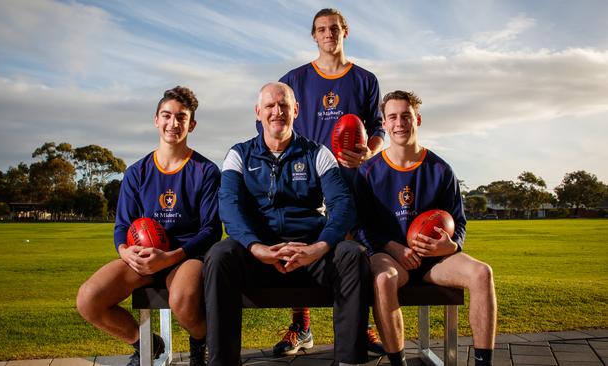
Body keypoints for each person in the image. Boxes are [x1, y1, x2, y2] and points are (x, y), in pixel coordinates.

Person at [204, 82, 371, 366]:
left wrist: (319, 247)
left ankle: (349, 361)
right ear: (258, 112)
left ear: (296, 110)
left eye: (283, 105)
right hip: (260, 256)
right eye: (269, 106)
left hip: (310, 255)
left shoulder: (317, 153)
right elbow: (229, 207)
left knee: (352, 255)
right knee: (220, 256)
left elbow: (342, 205)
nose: (277, 112)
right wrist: (256, 247)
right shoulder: (239, 154)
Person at [269, 8, 386, 356]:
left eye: (334, 28)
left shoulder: (365, 79)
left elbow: (378, 129)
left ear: (345, 31)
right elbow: (278, 122)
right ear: (314, 35)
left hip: (350, 178)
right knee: (297, 240)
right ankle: (302, 327)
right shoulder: (294, 78)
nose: (328, 34)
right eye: (321, 29)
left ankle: (361, 327)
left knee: (353, 248)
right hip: (304, 178)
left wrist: (368, 152)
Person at [76, 86, 222, 366]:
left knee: (182, 300)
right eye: (167, 116)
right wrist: (124, 252)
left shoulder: (206, 171)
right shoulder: (136, 172)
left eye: (181, 117)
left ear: (192, 124)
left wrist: (171, 256)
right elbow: (122, 225)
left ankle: (200, 343)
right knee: (88, 299)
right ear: (156, 119)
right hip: (143, 257)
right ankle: (145, 343)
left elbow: (211, 231)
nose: (173, 123)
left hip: (185, 255)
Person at [354, 90, 497, 366]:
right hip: (391, 257)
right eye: (392, 117)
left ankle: (483, 362)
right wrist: (391, 246)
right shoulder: (368, 172)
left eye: (406, 116)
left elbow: (460, 222)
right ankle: (399, 363)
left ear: (417, 119)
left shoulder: (441, 169)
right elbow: (360, 225)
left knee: (482, 273)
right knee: (383, 280)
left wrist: (451, 245)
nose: (399, 123)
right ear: (383, 124)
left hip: (435, 260)